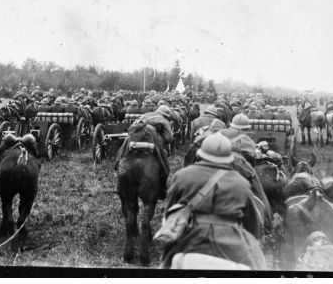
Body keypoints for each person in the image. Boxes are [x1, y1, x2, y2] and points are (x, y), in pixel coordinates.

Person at [159, 133, 267, 269]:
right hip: (233, 240)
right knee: (259, 265)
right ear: (229, 158)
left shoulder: (182, 175)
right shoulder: (241, 183)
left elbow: (168, 211)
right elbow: (252, 224)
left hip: (190, 236)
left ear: (201, 154)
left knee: (166, 263)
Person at [114, 104, 174, 199]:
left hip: (134, 137)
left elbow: (132, 127)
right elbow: (169, 138)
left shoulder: (145, 115)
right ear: (165, 115)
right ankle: (163, 185)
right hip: (151, 139)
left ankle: (117, 171)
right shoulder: (164, 121)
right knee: (164, 157)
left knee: (122, 151)